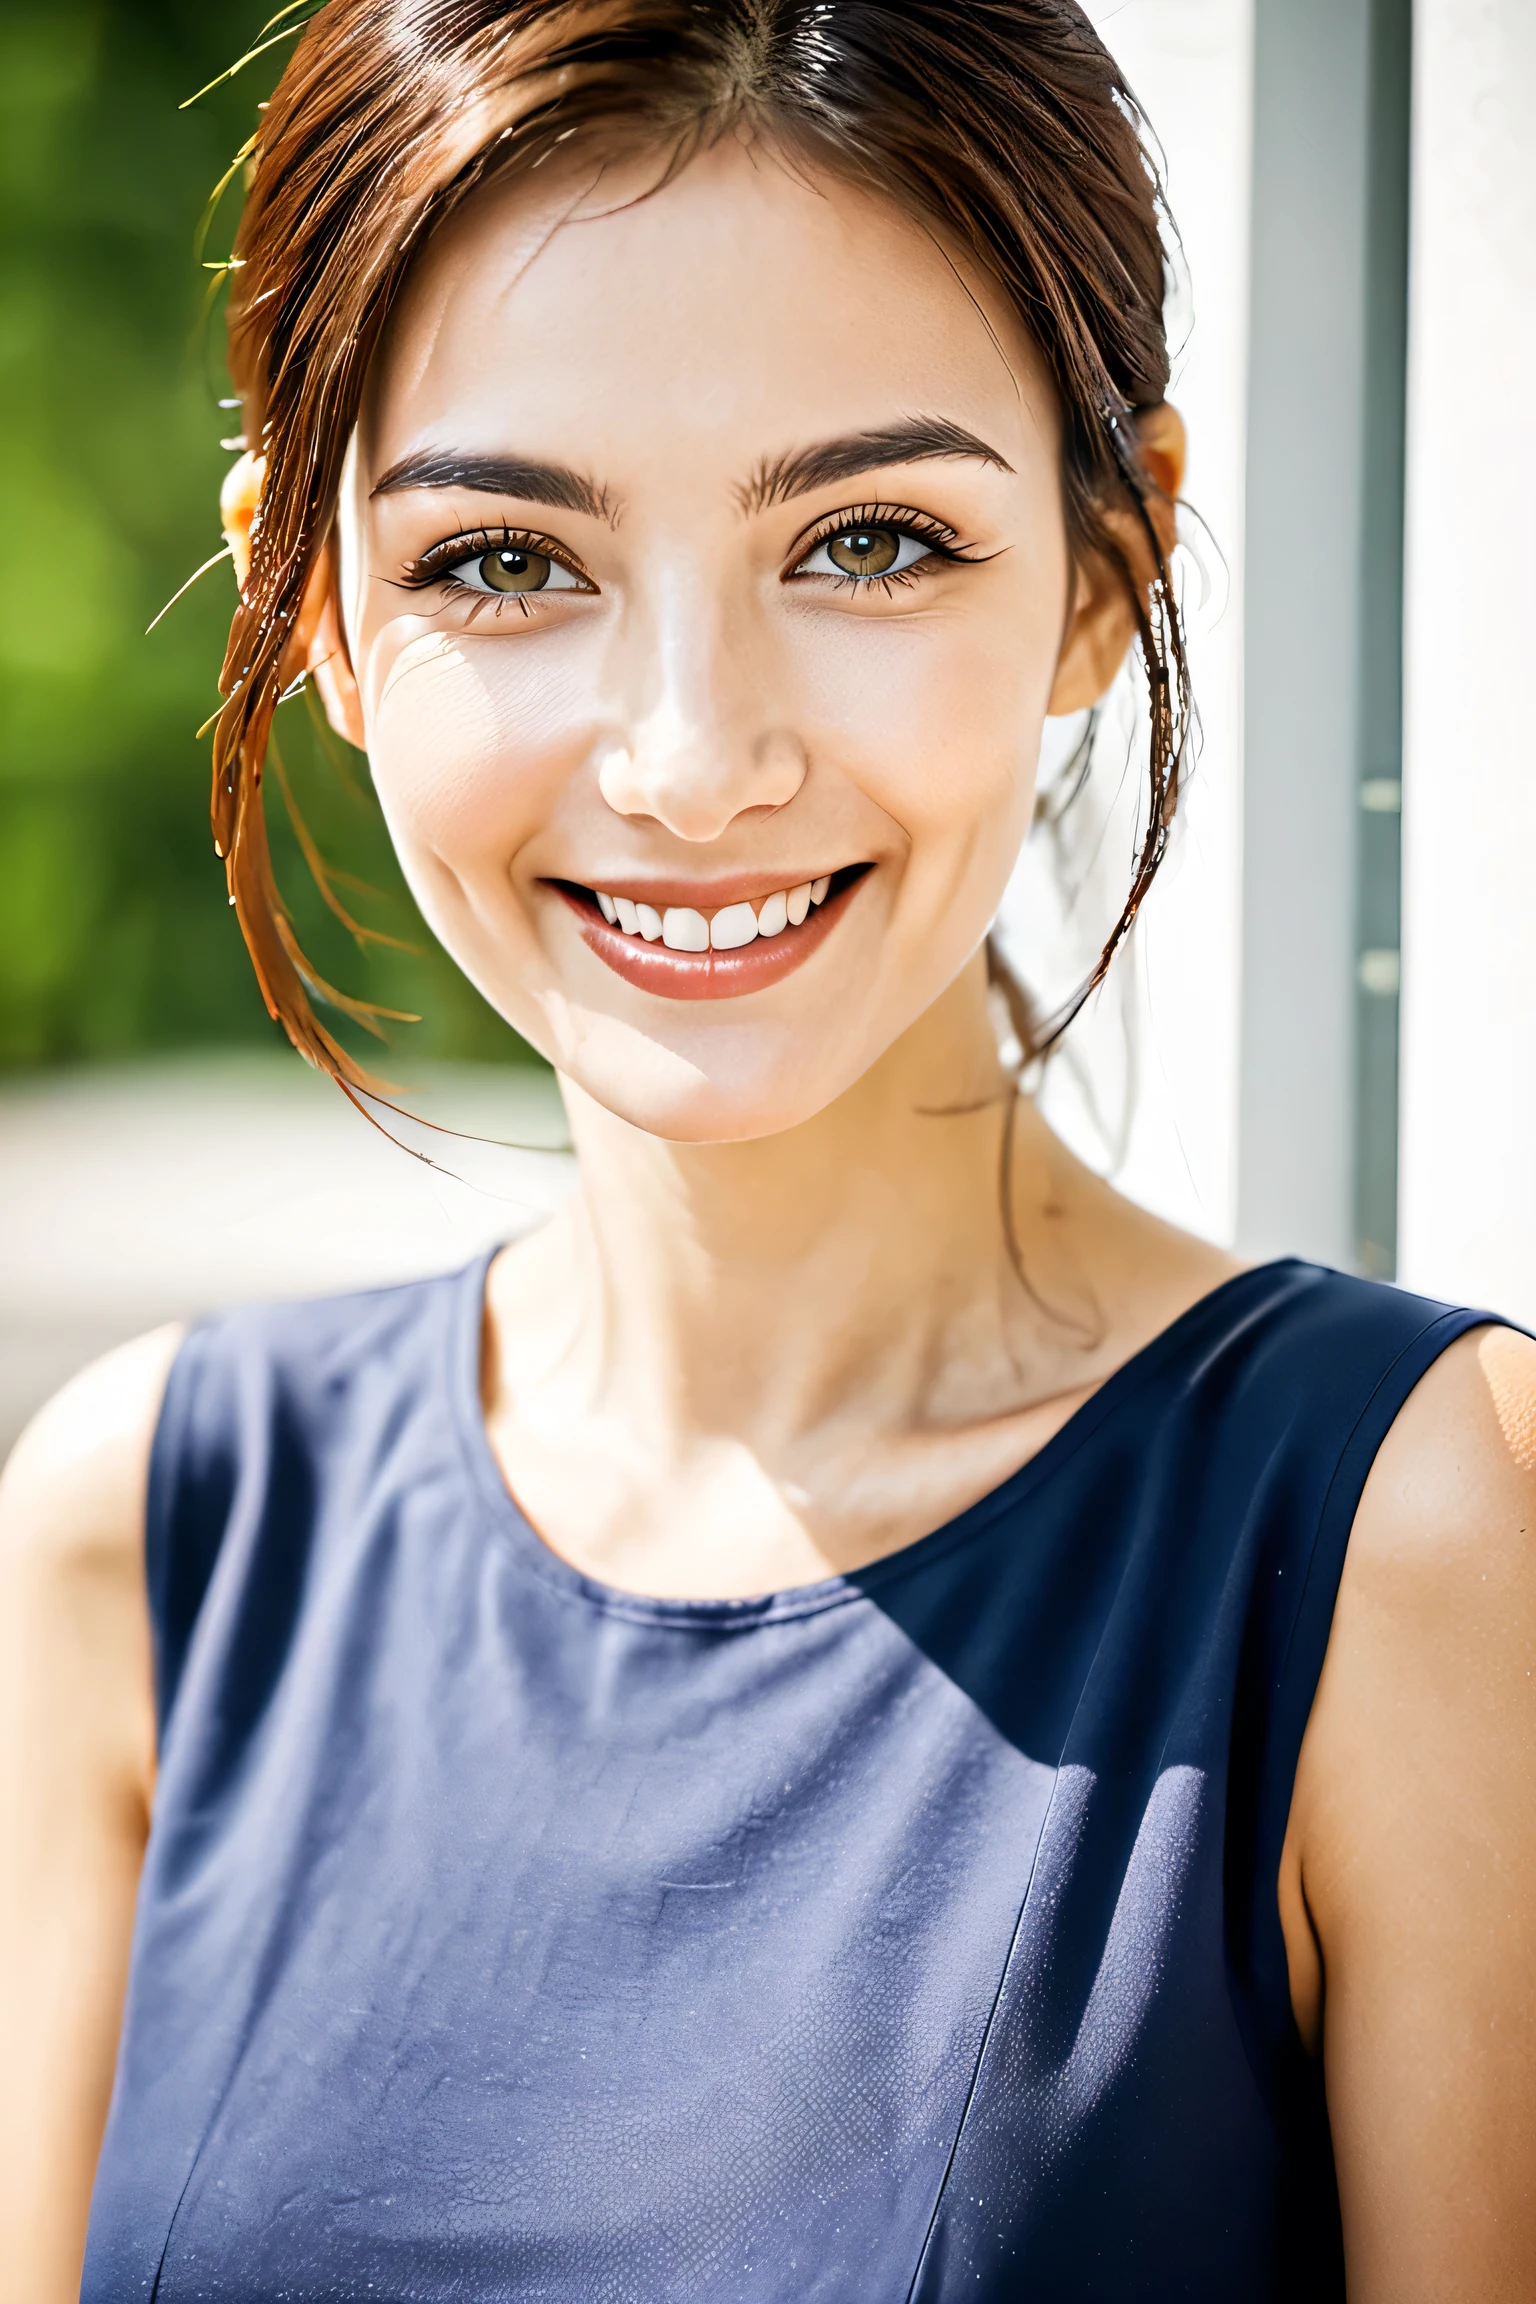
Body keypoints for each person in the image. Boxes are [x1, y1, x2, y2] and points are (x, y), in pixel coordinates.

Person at [2, 2, 1533, 2297]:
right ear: (309, 598)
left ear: (1109, 568)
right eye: (509, 562)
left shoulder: (1417, 1539)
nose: (695, 758)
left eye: (875, 539)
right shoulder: (155, 1539)